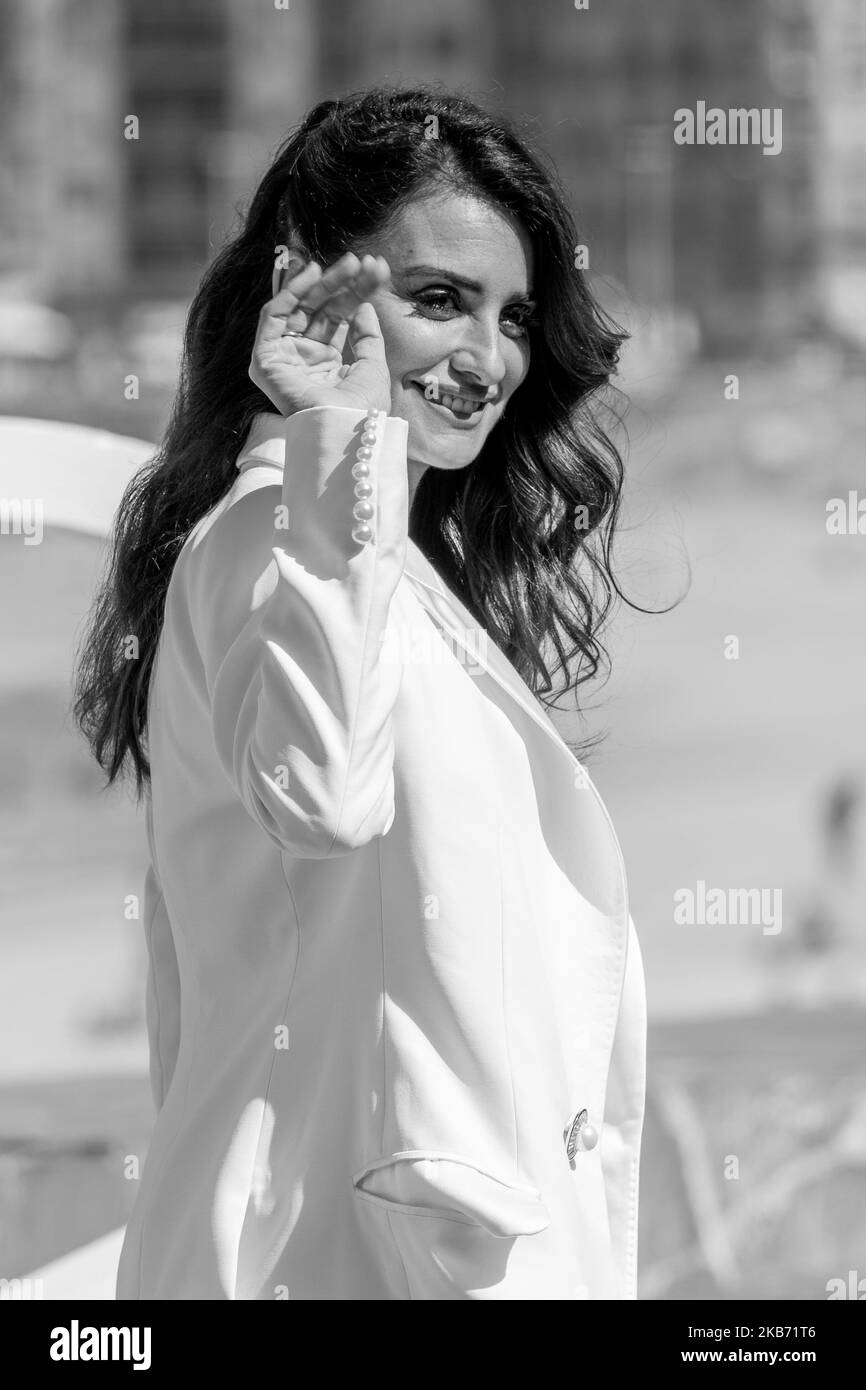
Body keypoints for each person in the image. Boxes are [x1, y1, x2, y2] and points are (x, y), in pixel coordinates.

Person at [73, 85, 646, 1300]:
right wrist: (331, 438)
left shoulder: (372, 562)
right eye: (438, 300)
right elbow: (326, 799)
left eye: (515, 316)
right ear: (315, 290)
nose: (487, 358)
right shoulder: (269, 539)